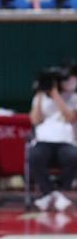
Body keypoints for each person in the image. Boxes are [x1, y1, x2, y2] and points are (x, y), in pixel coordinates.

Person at [29, 65, 77, 211]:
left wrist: (55, 95)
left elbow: (70, 117)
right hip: (44, 140)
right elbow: (35, 119)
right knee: (35, 156)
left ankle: (59, 191)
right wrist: (39, 95)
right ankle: (50, 192)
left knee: (73, 156)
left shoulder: (73, 98)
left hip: (65, 141)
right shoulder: (40, 97)